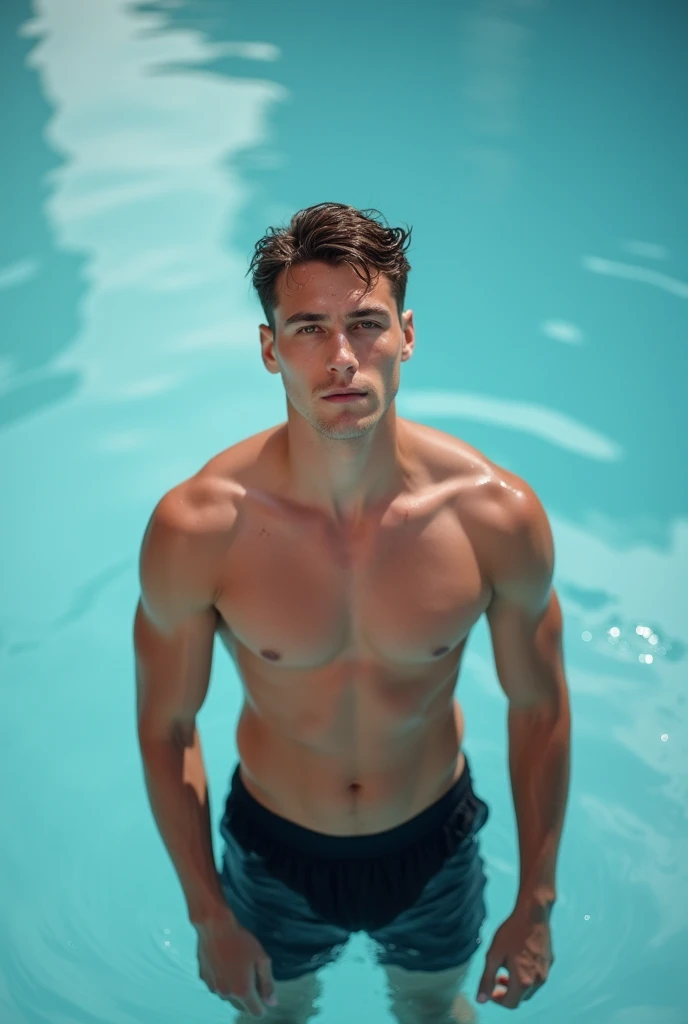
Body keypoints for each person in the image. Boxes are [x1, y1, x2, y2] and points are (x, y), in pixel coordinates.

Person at [134, 202, 571, 1023]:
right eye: (307, 328)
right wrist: (208, 913)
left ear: (406, 334)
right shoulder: (200, 528)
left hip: (433, 840)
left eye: (365, 323)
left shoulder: (495, 516)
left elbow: (540, 704)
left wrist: (538, 900)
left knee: (436, 1009)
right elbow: (166, 726)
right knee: (274, 1013)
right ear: (269, 348)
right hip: (274, 850)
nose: (341, 357)